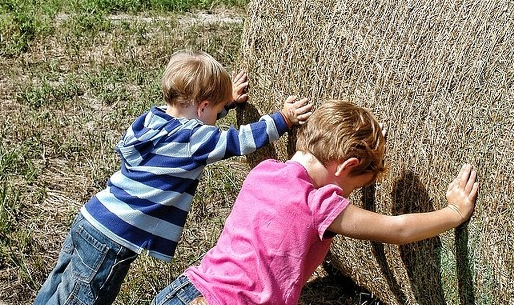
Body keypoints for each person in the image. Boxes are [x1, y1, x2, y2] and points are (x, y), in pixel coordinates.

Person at [33, 50, 313, 305]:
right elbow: (240, 141)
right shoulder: (193, 139)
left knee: (56, 289)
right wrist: (283, 119)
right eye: (216, 113)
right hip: (112, 239)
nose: (218, 118)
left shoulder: (151, 120)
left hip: (91, 219)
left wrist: (224, 103)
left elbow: (198, 123)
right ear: (202, 107)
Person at [151, 100, 480, 305]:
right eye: (353, 187)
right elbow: (397, 229)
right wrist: (453, 212)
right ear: (347, 167)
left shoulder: (264, 171)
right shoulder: (319, 205)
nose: (346, 197)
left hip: (187, 288)